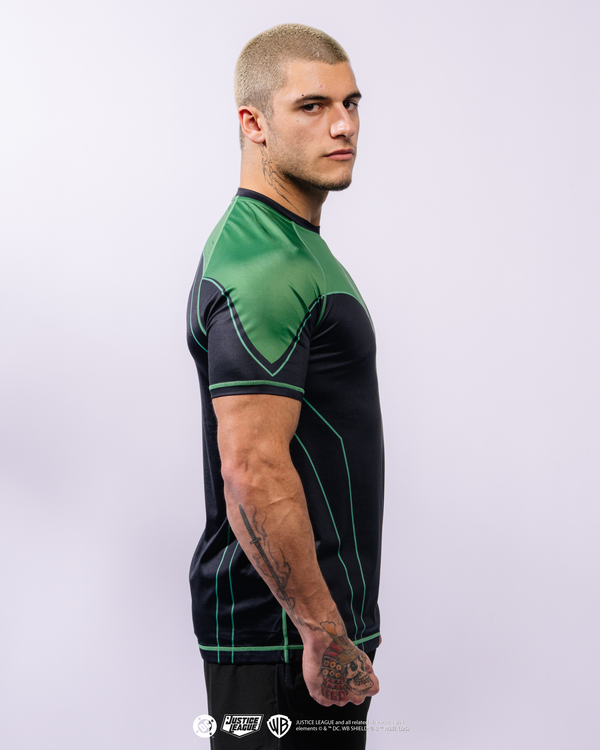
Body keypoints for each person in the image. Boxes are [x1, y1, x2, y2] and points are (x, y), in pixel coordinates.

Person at [187, 23, 384, 749]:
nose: (343, 125)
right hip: (281, 643)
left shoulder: (291, 247)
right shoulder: (265, 266)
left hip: (303, 635)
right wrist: (323, 634)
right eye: (312, 106)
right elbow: (252, 468)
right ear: (254, 123)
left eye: (351, 103)